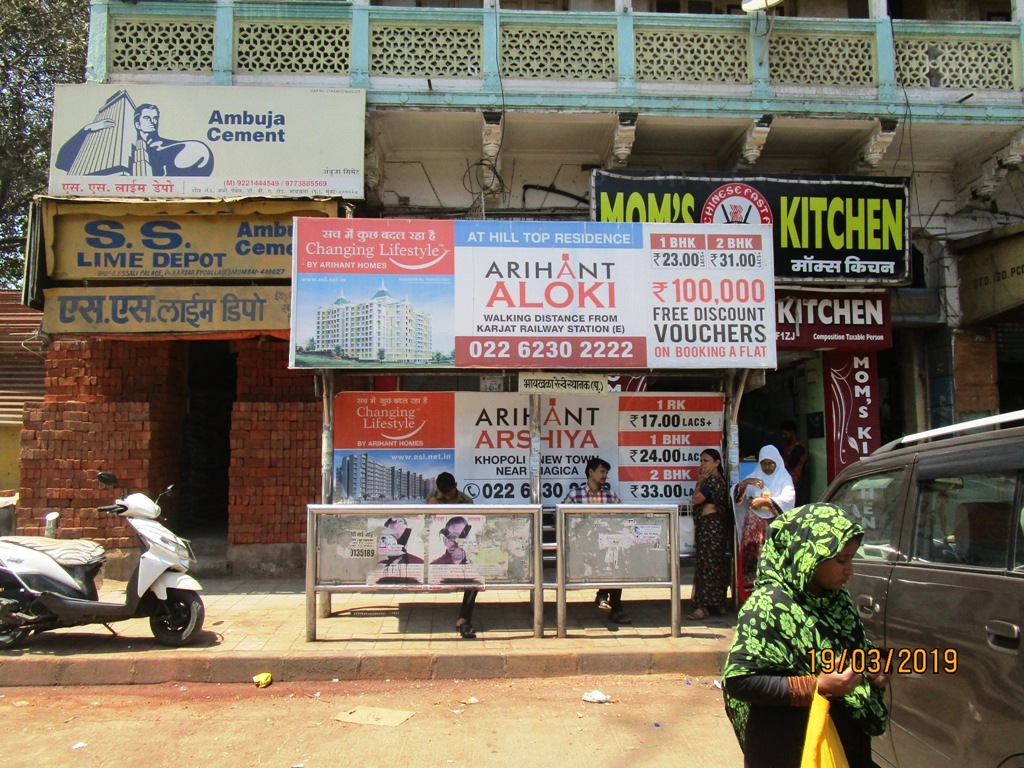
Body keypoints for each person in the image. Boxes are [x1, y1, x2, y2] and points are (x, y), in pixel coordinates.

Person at [722, 503, 889, 768]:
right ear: (807, 555)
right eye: (841, 560)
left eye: (852, 558)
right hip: (787, 748)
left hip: (843, 746)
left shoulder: (837, 602)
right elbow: (739, 681)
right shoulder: (768, 607)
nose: (850, 570)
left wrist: (873, 668)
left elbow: (851, 651)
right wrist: (817, 687)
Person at [563, 457, 631, 625]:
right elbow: (562, 520)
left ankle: (615, 606)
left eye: (606, 472)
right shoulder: (575, 495)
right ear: (590, 472)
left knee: (617, 559)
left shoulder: (610, 496)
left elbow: (622, 517)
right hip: (582, 547)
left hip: (606, 546)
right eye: (602, 471)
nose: (605, 475)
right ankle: (607, 597)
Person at [733, 445, 796, 599]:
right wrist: (747, 482)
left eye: (770, 463)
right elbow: (736, 496)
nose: (767, 467)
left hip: (774, 527)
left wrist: (766, 501)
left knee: (773, 560)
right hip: (754, 529)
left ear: (777, 463)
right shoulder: (755, 477)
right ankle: (752, 597)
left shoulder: (784, 478)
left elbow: (788, 500)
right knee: (752, 560)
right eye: (764, 463)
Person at [426, 472, 479, 639]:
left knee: (474, 578)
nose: (447, 497)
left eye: (449, 493)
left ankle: (464, 618)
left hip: (464, 552)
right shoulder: (432, 497)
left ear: (455, 485)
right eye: (444, 494)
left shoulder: (466, 501)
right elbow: (425, 525)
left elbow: (472, 525)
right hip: (435, 548)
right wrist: (429, 509)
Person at [687, 448, 731, 621]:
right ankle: (717, 603)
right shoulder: (715, 481)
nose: (702, 464)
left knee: (707, 565)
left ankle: (704, 606)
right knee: (714, 564)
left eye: (706, 461)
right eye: (701, 461)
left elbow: (696, 499)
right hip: (711, 528)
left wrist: (700, 481)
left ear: (717, 463)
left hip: (711, 529)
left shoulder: (712, 481)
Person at [780, 420, 809, 506]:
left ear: (792, 432)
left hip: (795, 484)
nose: (783, 436)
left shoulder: (799, 448)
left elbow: (791, 464)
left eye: (785, 433)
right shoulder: (788, 447)